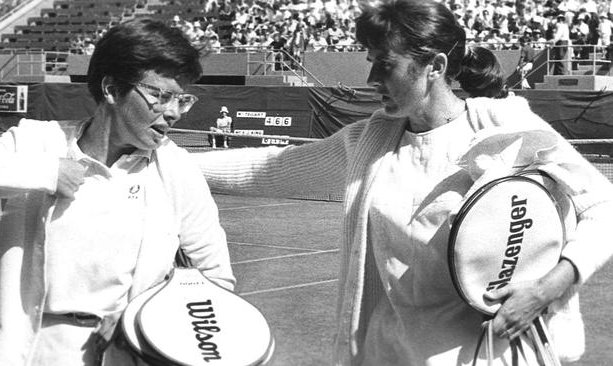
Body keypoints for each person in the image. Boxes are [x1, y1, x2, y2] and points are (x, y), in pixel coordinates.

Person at [194, 0, 613, 365]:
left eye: (386, 63)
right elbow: (266, 167)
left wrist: (549, 286)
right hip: (388, 353)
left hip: (489, 353)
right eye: (371, 61)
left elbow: (603, 206)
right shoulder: (369, 143)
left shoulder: (506, 129)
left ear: (436, 67)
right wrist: (171, 161)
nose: (373, 76)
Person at [0, 19, 235, 366]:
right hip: (13, 349)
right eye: (160, 95)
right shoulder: (36, 141)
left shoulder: (177, 170)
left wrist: (147, 324)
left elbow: (215, 279)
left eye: (182, 99)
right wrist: (45, 172)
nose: (173, 112)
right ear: (111, 89)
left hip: (123, 354)